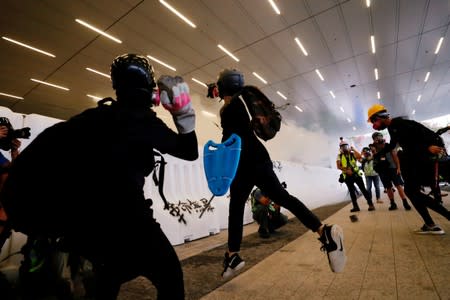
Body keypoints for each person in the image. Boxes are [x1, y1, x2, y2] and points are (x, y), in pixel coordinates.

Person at [0, 54, 198, 299]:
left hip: (86, 229)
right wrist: (183, 112)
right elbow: (189, 152)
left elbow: (28, 165)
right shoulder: (143, 122)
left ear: (117, 87)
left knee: (105, 284)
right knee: (170, 277)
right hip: (131, 223)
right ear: (149, 89)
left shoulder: (86, 120)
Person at [217, 68, 346, 279]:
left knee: (236, 207)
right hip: (260, 159)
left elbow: (228, 140)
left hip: (243, 163)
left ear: (224, 89)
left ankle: (233, 255)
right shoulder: (247, 103)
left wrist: (220, 161)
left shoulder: (231, 109)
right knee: (282, 198)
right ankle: (324, 232)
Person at [367, 104, 450, 234]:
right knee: (412, 191)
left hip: (427, 156)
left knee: (411, 191)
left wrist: (427, 147)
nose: (374, 124)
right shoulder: (392, 128)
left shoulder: (400, 124)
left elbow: (421, 136)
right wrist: (377, 154)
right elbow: (393, 145)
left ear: (380, 117)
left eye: (374, 121)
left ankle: (436, 221)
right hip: (420, 156)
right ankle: (430, 224)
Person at [371, 132, 412, 211]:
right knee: (388, 187)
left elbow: (395, 157)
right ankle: (393, 203)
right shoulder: (374, 148)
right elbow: (375, 159)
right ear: (374, 139)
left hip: (392, 168)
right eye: (376, 137)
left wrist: (398, 168)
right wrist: (374, 151)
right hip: (382, 171)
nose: (378, 138)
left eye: (380, 136)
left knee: (398, 185)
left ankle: (405, 202)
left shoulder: (388, 146)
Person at [336, 139, 375, 212]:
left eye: (345, 146)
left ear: (348, 146)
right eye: (342, 147)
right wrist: (346, 170)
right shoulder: (339, 156)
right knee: (351, 192)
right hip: (347, 176)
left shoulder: (352, 153)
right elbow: (338, 166)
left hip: (356, 174)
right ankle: (356, 207)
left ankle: (370, 204)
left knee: (363, 189)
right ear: (340, 148)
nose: (344, 148)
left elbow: (360, 156)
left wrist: (353, 149)